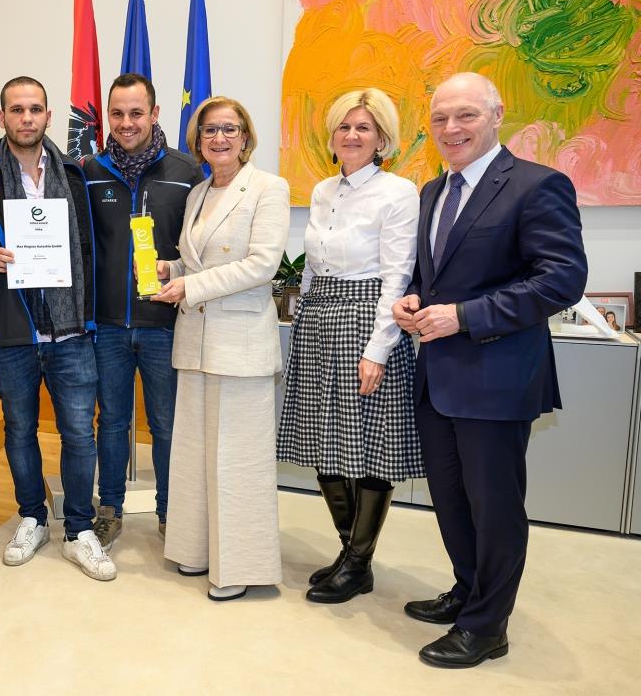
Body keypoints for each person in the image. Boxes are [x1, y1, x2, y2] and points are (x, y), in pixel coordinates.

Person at [393, 72, 587, 667]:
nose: (451, 129)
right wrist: (414, 298)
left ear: (497, 115)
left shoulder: (537, 186)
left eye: (466, 116)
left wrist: (465, 316)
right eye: (441, 119)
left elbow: (561, 280)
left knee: (494, 504)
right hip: (437, 377)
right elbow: (440, 275)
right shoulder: (432, 191)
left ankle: (487, 625)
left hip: (497, 377)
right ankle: (468, 589)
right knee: (451, 499)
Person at [0, 76, 114, 581]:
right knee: (19, 429)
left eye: (36, 109)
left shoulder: (79, 172)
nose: (27, 118)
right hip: (13, 333)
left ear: (48, 117)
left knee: (77, 433)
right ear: (1, 117)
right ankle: (31, 516)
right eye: (16, 109)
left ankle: (80, 529)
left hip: (71, 333)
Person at [277, 88, 422, 604]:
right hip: (318, 320)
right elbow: (313, 265)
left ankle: (359, 561)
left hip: (367, 318)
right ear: (333, 136)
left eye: (364, 127)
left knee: (370, 449)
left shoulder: (399, 192)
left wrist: (378, 350)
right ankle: (348, 553)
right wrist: (301, 319)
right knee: (323, 441)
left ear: (383, 138)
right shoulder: (321, 190)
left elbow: (396, 276)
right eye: (345, 127)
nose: (353, 135)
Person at [155, 96, 289, 601]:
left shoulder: (269, 188)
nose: (219, 138)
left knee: (238, 463)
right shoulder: (198, 193)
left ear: (246, 136)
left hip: (240, 345)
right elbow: (199, 261)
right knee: (195, 455)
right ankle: (197, 551)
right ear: (197, 140)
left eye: (229, 129)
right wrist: (173, 271)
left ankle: (238, 568)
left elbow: (261, 266)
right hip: (196, 342)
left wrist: (190, 286)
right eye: (210, 130)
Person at [82, 73, 203, 547]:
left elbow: (198, 249)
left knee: (167, 423)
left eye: (136, 113)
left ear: (154, 114)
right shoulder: (88, 171)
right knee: (110, 421)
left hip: (166, 324)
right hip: (108, 326)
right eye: (117, 113)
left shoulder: (188, 170)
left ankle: (171, 513)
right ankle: (109, 509)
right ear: (107, 117)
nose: (126, 123)